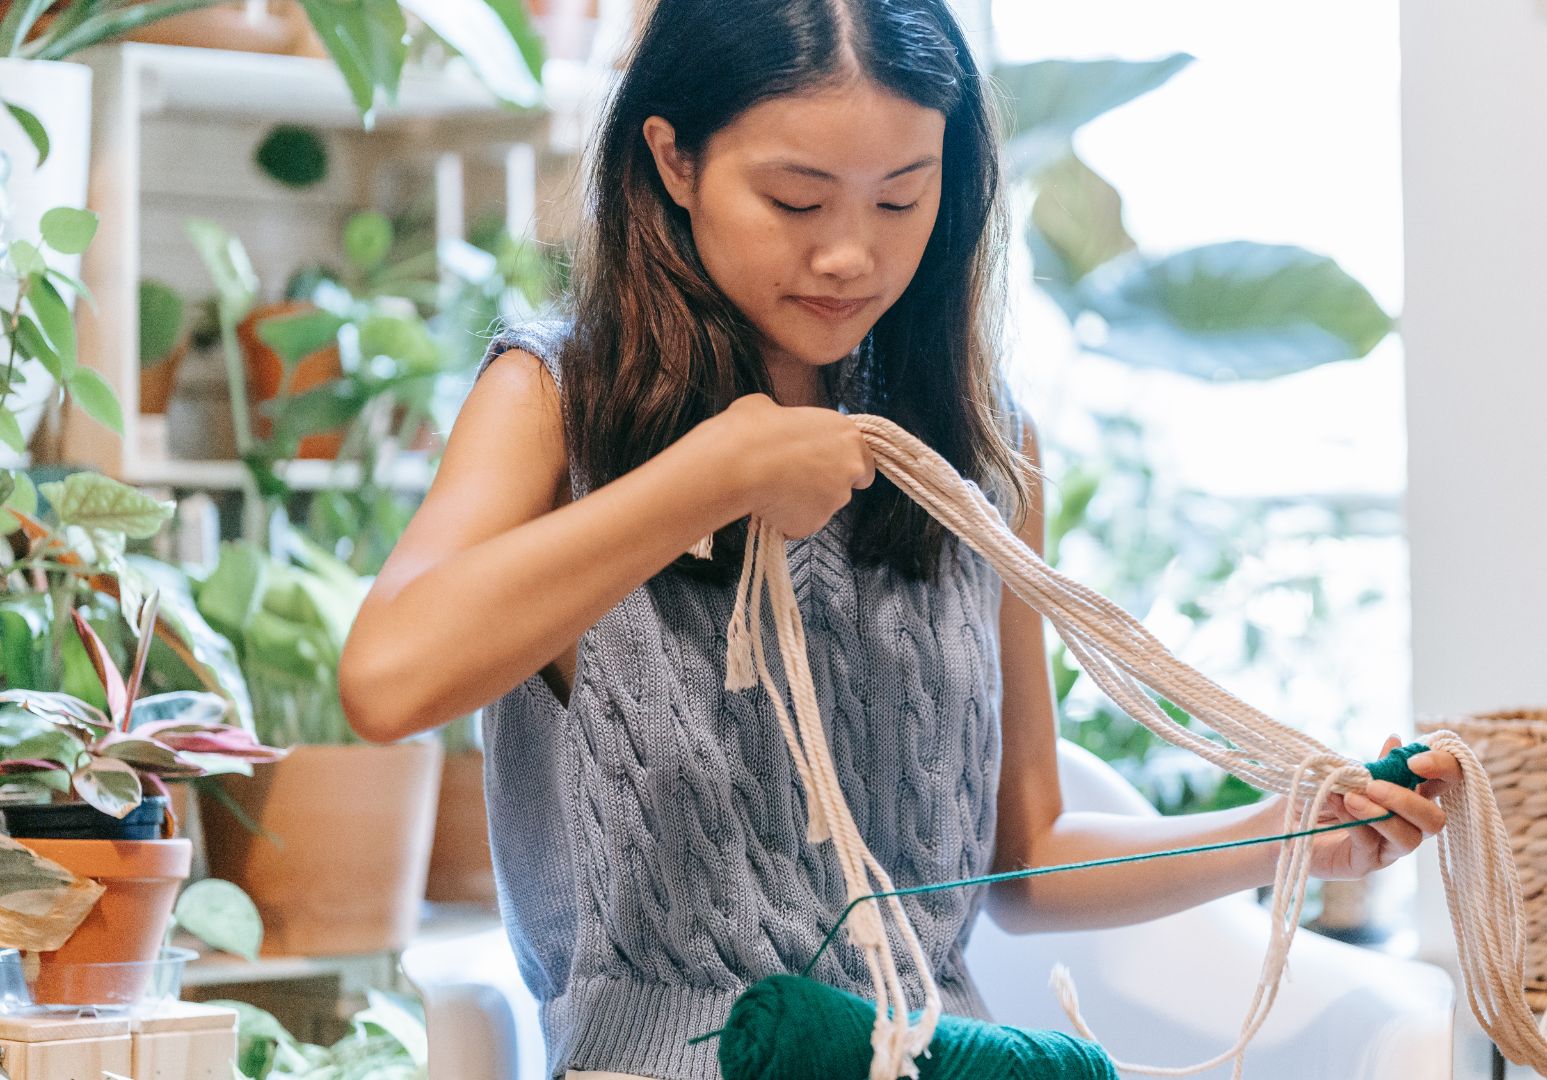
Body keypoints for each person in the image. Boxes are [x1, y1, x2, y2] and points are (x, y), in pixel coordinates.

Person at [338, 1, 1462, 1077]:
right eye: (795, 198)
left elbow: (1022, 853)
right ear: (673, 160)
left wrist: (1294, 834)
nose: (849, 255)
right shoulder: (555, 403)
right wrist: (709, 476)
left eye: (899, 200)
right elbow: (388, 679)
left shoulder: (977, 451)